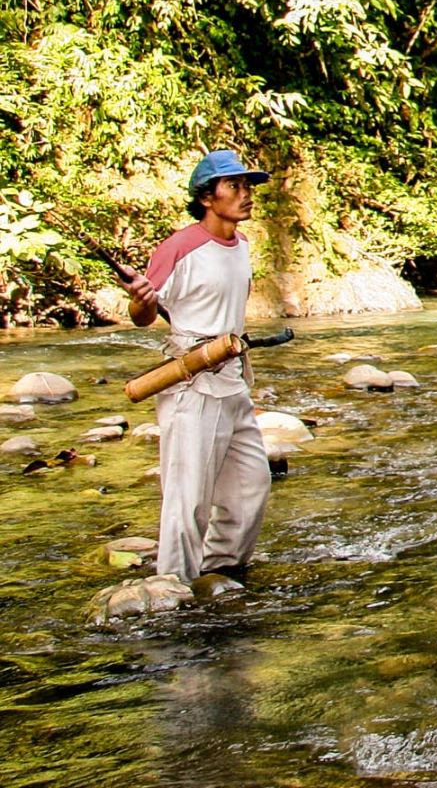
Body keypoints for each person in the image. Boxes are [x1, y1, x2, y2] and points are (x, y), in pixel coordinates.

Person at [122, 150, 273, 589]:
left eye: (247, 187)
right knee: (187, 499)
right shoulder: (179, 247)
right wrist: (140, 301)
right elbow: (144, 314)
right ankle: (171, 586)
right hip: (191, 382)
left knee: (251, 487)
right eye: (235, 187)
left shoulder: (242, 244)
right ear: (207, 196)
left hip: (232, 379)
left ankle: (219, 570)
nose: (246, 196)